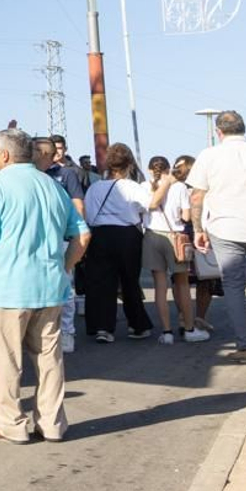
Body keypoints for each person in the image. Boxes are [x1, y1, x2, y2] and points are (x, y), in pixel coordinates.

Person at [0, 128, 91, 443]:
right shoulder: (52, 185)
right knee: (49, 360)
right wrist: (65, 267)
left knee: (6, 361)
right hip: (49, 286)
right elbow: (82, 235)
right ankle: (52, 423)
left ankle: (12, 425)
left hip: (5, 288)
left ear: (4, 154)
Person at [81, 143, 154, 343]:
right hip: (128, 235)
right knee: (130, 281)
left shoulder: (95, 188)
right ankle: (137, 325)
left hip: (100, 235)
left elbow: (88, 213)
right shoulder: (132, 187)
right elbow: (148, 206)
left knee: (101, 282)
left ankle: (103, 327)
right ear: (129, 164)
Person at [190, 110, 246, 359]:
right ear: (244, 128)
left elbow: (196, 197)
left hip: (225, 228)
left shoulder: (209, 155)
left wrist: (197, 229)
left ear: (219, 132)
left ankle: (245, 345)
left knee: (234, 286)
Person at [142, 156, 209, 344]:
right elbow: (186, 216)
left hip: (151, 236)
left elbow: (142, 210)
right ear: (168, 169)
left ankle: (166, 332)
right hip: (175, 238)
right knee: (182, 285)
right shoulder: (179, 187)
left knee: (160, 286)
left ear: (149, 170)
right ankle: (189, 329)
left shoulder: (144, 186)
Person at [33, 137, 84, 353]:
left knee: (64, 286)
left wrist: (76, 236)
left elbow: (78, 204)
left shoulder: (66, 174)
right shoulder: (28, 176)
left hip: (61, 240)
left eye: (37, 150)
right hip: (34, 241)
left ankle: (67, 332)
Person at [177, 155, 219, 330]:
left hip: (180, 238)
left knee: (180, 280)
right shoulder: (203, 188)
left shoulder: (174, 188)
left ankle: (183, 317)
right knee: (205, 279)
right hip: (202, 235)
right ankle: (200, 317)